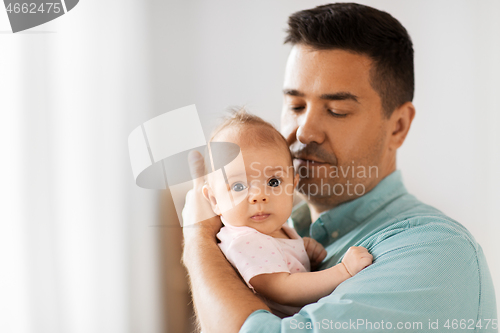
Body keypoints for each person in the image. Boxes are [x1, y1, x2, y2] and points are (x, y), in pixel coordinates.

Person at [182, 3, 498, 333]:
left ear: (398, 126)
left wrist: (198, 237)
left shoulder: (436, 252)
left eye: (336, 110)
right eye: (296, 105)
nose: (304, 131)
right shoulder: (281, 230)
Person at [202, 109, 373, 318]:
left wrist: (303, 249)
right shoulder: (244, 241)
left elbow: (281, 258)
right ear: (214, 200)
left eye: (273, 182)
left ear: (292, 184)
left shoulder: (276, 229)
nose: (258, 196)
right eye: (238, 186)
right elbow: (283, 289)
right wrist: (343, 271)